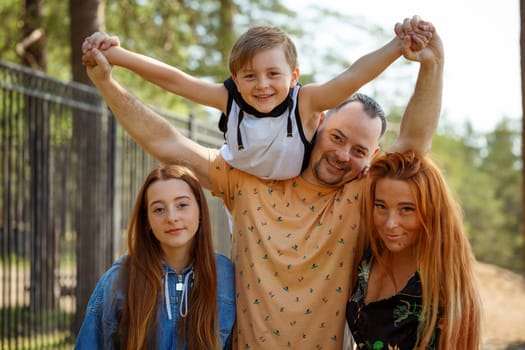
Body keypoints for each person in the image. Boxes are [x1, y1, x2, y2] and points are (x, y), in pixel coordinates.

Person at [82, 16, 443, 349]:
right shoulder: (244, 180)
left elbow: (412, 148)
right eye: (337, 138)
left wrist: (430, 65)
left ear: (371, 155)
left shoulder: (357, 196)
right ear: (316, 123)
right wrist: (107, 83)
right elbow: (166, 143)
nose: (342, 154)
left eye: (358, 150)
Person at [81, 20, 432, 180]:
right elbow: (176, 80)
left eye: (273, 74)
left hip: (290, 189)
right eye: (249, 76)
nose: (262, 85)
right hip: (239, 182)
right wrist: (118, 55)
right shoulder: (229, 99)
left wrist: (397, 47)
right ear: (236, 79)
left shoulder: (305, 102)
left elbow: (353, 77)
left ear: (294, 76)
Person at [74, 164, 236, 349]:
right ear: (147, 221)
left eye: (182, 205)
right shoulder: (118, 280)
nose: (172, 217)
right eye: (159, 209)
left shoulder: (226, 275)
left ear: (200, 210)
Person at [346, 151, 482, 350]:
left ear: (431, 212)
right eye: (381, 206)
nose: (390, 223)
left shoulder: (444, 288)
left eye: (406, 209)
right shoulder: (369, 256)